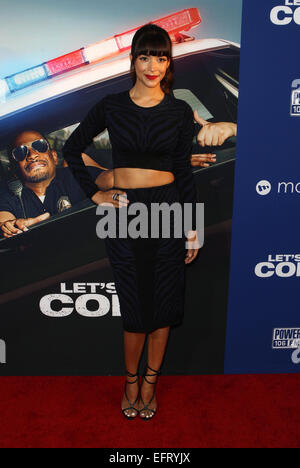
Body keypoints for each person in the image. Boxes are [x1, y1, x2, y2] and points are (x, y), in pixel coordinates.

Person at [62, 24, 201, 421]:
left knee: (164, 306)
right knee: (136, 308)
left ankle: (150, 383)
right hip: (124, 213)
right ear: (133, 60)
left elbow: (183, 171)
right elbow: (72, 150)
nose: (153, 65)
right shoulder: (111, 106)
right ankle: (129, 381)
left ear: (168, 62)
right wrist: (96, 194)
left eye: (161, 57)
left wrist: (194, 226)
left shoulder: (177, 111)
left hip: (168, 209)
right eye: (145, 56)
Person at [0, 130, 112, 238]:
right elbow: (4, 221)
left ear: (54, 157)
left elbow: (111, 179)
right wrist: (11, 226)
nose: (32, 155)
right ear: (13, 169)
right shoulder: (8, 194)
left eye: (39, 146)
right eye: (20, 152)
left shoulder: (75, 175)